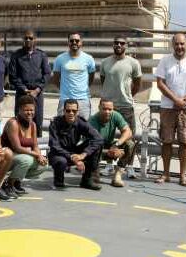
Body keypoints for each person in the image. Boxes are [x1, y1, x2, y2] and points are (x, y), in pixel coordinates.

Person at [155, 33, 186, 187]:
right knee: (166, 141)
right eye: (176, 44)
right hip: (168, 107)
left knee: (185, 142)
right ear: (172, 45)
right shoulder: (165, 61)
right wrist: (175, 99)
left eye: (182, 44)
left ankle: (182, 176)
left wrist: (185, 100)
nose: (179, 47)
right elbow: (160, 83)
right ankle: (166, 174)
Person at [100, 36, 142, 178]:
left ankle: (128, 166)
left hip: (126, 106)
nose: (118, 45)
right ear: (113, 45)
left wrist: (127, 95)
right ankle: (109, 165)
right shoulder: (105, 62)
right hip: (109, 107)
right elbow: (103, 81)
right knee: (107, 137)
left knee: (130, 137)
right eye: (116, 43)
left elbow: (137, 84)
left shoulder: (134, 63)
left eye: (122, 43)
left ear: (126, 46)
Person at [48, 99, 104, 190]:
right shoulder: (55, 123)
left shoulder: (80, 122)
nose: (71, 113)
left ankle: (87, 180)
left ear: (77, 111)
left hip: (74, 151)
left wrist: (83, 154)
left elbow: (98, 138)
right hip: (59, 154)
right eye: (68, 110)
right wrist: (73, 158)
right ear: (63, 111)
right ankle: (58, 179)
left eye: (74, 111)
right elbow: (55, 146)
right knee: (61, 161)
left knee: (97, 145)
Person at [1, 95, 48, 196]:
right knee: (26, 160)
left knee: (43, 164)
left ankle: (16, 181)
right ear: (19, 110)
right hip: (5, 158)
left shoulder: (33, 124)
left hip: (19, 157)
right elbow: (17, 147)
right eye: (26, 110)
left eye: (32, 110)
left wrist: (40, 156)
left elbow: (35, 146)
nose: (30, 113)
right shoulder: (13, 123)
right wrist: (36, 155)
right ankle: (8, 184)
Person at [9, 30, 51, 137]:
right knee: (20, 119)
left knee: (37, 120)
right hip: (22, 93)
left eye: (30, 38)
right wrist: (24, 89)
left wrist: (37, 90)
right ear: (23, 40)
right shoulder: (16, 56)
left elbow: (47, 74)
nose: (28, 40)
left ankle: (37, 147)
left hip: (37, 94)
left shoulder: (42, 55)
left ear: (35, 40)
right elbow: (13, 76)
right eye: (26, 38)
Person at [89, 99, 134, 187]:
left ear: (113, 109)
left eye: (110, 109)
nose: (107, 112)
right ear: (99, 108)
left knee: (130, 144)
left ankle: (117, 175)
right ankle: (93, 172)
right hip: (95, 148)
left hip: (110, 145)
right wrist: (110, 151)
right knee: (95, 181)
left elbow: (128, 132)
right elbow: (93, 143)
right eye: (104, 109)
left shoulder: (116, 115)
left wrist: (116, 145)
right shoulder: (92, 121)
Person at [52, 32, 95, 120]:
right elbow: (56, 79)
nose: (74, 42)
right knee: (63, 128)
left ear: (81, 42)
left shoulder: (89, 59)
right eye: (71, 40)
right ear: (68, 42)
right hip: (65, 99)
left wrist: (83, 88)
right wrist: (64, 90)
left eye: (77, 40)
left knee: (84, 127)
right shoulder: (59, 59)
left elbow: (91, 77)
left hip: (83, 99)